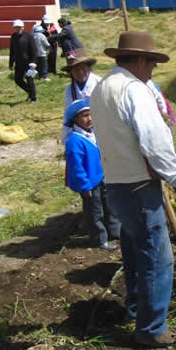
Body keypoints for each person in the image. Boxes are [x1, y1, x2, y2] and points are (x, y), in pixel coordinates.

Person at [91, 31, 176, 349]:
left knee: (135, 251)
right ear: (142, 61)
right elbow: (155, 141)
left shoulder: (102, 88)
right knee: (158, 258)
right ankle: (151, 328)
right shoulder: (133, 90)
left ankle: (135, 309)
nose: (153, 71)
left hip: (115, 184)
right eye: (152, 64)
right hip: (139, 186)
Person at [64, 99, 121, 251]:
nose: (89, 118)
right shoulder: (75, 141)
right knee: (95, 211)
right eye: (84, 116)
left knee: (109, 205)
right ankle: (99, 239)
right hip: (90, 182)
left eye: (91, 114)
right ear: (75, 119)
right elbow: (76, 167)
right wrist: (84, 185)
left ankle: (114, 232)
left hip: (102, 177)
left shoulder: (94, 134)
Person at [61, 48, 101, 143]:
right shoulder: (69, 89)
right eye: (75, 70)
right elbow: (68, 114)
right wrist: (66, 138)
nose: (80, 72)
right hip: (82, 134)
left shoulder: (99, 83)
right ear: (71, 72)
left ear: (88, 67)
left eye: (83, 68)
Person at [8, 19, 37, 103]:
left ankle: (33, 98)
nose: (18, 29)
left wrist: (33, 62)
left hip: (29, 63)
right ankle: (30, 92)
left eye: (19, 27)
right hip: (18, 62)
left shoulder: (29, 36)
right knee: (17, 79)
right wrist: (11, 63)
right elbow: (12, 50)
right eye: (16, 27)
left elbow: (34, 50)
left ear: (23, 27)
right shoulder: (13, 36)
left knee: (29, 80)